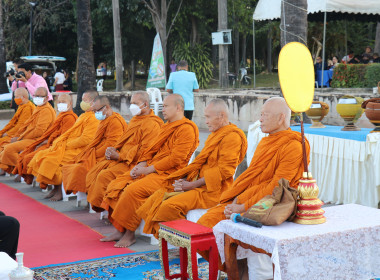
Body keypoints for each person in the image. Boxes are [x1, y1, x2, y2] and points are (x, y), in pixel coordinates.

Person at [197, 97, 310, 274]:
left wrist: (242, 206)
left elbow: (277, 188)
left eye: (264, 115)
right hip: (249, 198)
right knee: (201, 229)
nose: (260, 119)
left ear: (281, 118)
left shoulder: (293, 146)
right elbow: (253, 177)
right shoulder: (266, 141)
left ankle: (237, 271)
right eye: (260, 114)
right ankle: (235, 269)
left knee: (205, 229)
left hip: (271, 205)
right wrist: (236, 197)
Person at [137, 99, 248, 238]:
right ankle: (178, 241)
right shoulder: (217, 133)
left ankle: (185, 242)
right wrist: (184, 179)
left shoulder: (232, 137)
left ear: (221, 116)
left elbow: (225, 171)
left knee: (168, 206)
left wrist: (190, 185)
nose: (205, 121)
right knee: (158, 196)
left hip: (214, 191)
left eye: (208, 117)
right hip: (199, 185)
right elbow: (200, 164)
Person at [100, 94, 199, 247]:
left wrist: (147, 170)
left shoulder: (187, 129)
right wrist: (141, 165)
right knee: (117, 184)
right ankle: (120, 228)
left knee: (132, 190)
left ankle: (129, 233)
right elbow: (150, 150)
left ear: (178, 107)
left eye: (166, 106)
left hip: (169, 176)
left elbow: (175, 159)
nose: (162, 109)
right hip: (152, 170)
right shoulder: (166, 126)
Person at [86, 91, 163, 211]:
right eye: (131, 103)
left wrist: (119, 156)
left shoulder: (152, 124)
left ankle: (107, 208)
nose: (132, 106)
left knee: (104, 175)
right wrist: (114, 149)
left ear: (146, 104)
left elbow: (146, 152)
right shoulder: (135, 120)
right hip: (122, 159)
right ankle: (105, 207)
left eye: (135, 103)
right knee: (97, 169)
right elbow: (125, 141)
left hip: (134, 163)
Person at [28, 90, 99, 201]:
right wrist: (59, 142)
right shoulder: (83, 116)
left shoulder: (94, 118)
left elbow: (86, 139)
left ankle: (60, 191)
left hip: (80, 150)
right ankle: (55, 188)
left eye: (85, 100)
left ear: (94, 102)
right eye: (82, 100)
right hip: (69, 146)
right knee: (42, 155)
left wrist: (67, 144)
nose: (82, 102)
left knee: (51, 160)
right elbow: (70, 133)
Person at [62, 96, 127, 195]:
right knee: (71, 165)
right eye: (94, 111)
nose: (96, 113)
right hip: (96, 154)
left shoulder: (115, 121)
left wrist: (92, 155)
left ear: (107, 107)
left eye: (97, 110)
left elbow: (111, 145)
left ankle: (90, 197)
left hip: (109, 156)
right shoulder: (104, 120)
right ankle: (84, 195)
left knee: (80, 169)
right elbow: (96, 141)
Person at [12, 93, 77, 191]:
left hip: (59, 146)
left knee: (37, 158)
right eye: (59, 102)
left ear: (70, 103)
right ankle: (27, 175)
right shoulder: (61, 115)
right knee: (27, 154)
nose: (60, 104)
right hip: (51, 143)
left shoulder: (70, 117)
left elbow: (64, 137)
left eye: (63, 102)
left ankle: (52, 187)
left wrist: (48, 142)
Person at [0, 87, 56, 175]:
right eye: (36, 96)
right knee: (6, 146)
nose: (37, 98)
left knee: (8, 149)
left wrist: (21, 137)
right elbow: (26, 125)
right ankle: (19, 169)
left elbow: (39, 131)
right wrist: (18, 136)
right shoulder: (39, 108)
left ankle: (27, 169)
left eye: (40, 96)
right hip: (30, 137)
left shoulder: (46, 110)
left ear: (46, 98)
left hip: (38, 140)